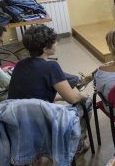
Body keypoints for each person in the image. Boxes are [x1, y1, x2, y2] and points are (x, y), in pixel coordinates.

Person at [7, 24, 91, 152]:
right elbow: (73, 99)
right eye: (54, 42)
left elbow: (32, 95)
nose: (56, 44)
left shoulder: (20, 64)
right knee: (87, 102)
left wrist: (57, 98)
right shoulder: (52, 67)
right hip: (42, 122)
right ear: (45, 49)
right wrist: (82, 96)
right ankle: (78, 144)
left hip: (17, 121)